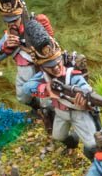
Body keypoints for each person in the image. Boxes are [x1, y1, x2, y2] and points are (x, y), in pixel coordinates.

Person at [22, 18, 98, 159]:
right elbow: (26, 88)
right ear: (43, 66)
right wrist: (47, 88)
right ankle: (73, 142)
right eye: (50, 66)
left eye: (58, 63)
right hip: (60, 113)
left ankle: (96, 160)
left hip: (77, 112)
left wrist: (84, 98)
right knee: (58, 136)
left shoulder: (73, 75)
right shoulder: (43, 76)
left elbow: (86, 89)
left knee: (92, 144)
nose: (56, 68)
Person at [0, 0, 54, 112]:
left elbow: (50, 46)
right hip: (23, 70)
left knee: (46, 99)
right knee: (22, 97)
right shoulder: (9, 35)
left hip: (41, 69)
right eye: (8, 21)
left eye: (14, 20)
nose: (12, 24)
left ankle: (49, 114)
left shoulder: (34, 27)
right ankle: (36, 110)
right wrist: (6, 47)